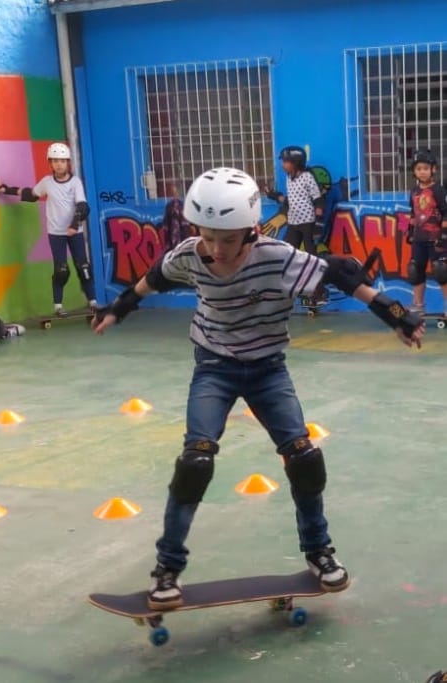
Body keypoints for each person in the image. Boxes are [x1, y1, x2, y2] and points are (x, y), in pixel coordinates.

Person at [92, 167, 425, 610]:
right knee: (196, 461)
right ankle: (167, 569)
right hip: (214, 366)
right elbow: (154, 275)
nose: (216, 249)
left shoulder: (276, 256)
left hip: (269, 369)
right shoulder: (191, 254)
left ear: (250, 232)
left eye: (227, 240)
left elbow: (341, 273)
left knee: (304, 456)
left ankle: (319, 552)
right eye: (208, 237)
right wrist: (120, 308)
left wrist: (394, 316)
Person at [0, 142, 98, 317]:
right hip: (56, 233)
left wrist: (74, 224)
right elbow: (30, 194)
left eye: (63, 161)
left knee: (83, 267)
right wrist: (6, 189)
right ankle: (58, 306)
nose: (59, 164)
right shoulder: (47, 182)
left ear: (68, 163)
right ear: (50, 163)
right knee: (61, 270)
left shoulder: (75, 182)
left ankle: (93, 302)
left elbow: (83, 206)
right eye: (55, 161)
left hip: (75, 232)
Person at [267, 145, 328, 304]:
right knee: (287, 255)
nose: (282, 165)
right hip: (293, 222)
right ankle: (289, 289)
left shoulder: (307, 177)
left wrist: (318, 225)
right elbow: (291, 200)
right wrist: (275, 195)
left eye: (286, 161)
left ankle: (319, 292)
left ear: (296, 162)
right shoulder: (289, 177)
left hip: (308, 223)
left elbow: (318, 200)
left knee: (311, 259)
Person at [405, 149, 447, 315]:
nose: (422, 172)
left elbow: (445, 212)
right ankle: (418, 304)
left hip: (436, 238)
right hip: (419, 238)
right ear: (414, 172)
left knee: (441, 270)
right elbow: (413, 214)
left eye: (425, 168)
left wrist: (444, 235)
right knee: (415, 269)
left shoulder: (438, 190)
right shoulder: (414, 191)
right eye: (418, 169)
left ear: (433, 169)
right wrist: (410, 231)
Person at [160, 182, 191, 252]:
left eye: (174, 191)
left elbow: (166, 225)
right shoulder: (171, 205)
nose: (174, 193)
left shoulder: (181, 205)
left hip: (180, 236)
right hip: (177, 236)